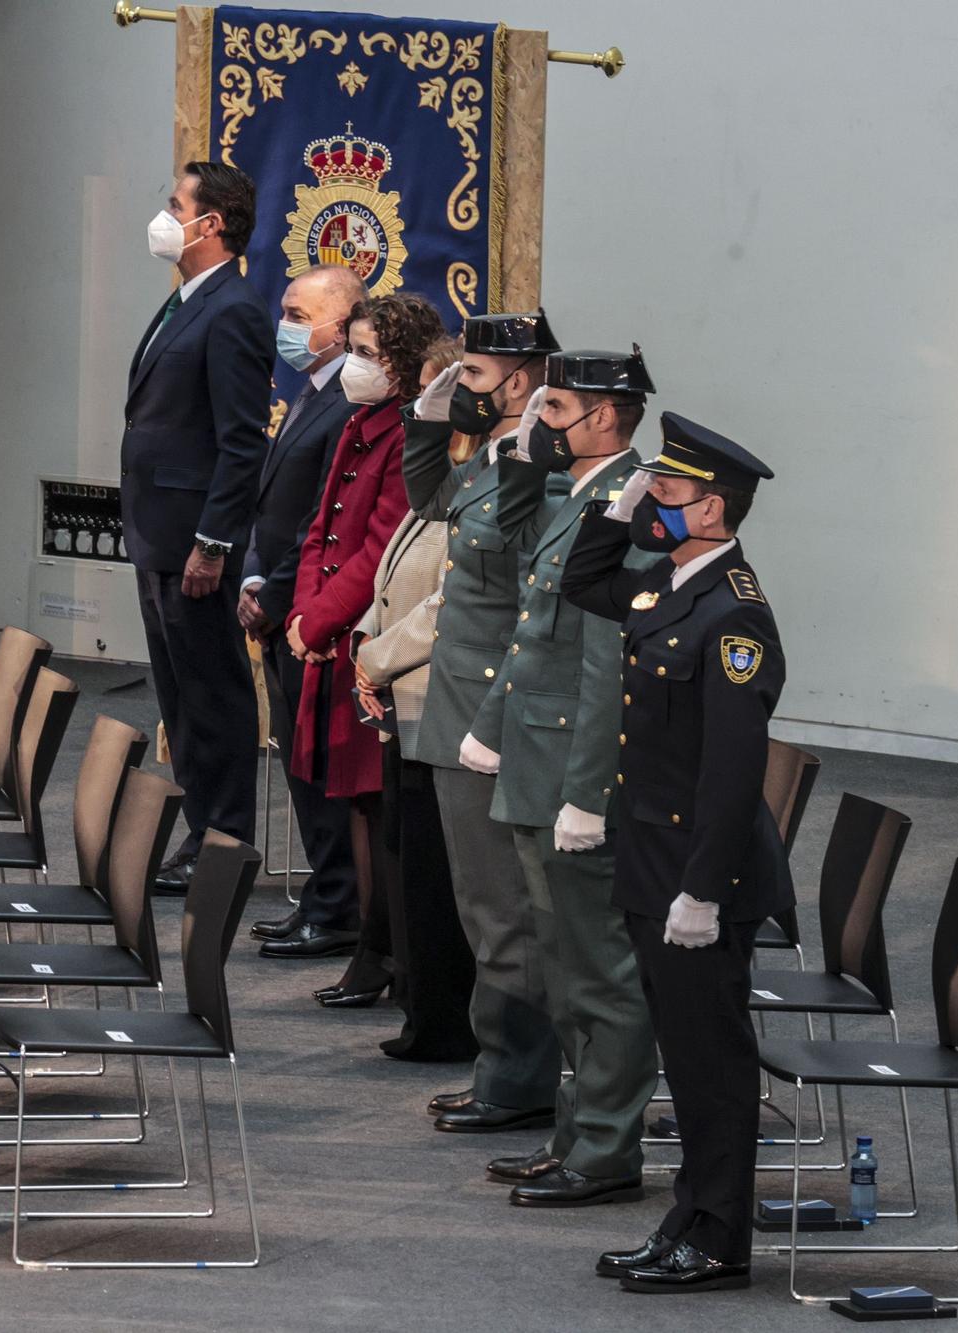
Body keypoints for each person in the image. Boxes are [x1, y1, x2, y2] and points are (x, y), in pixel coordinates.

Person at [561, 413, 787, 1293]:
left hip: (700, 878)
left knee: (712, 1062)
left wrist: (704, 891)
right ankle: (686, 1218)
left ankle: (720, 1238)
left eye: (669, 490)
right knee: (683, 1059)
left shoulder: (735, 615)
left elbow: (734, 774)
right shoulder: (669, 584)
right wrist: (615, 511)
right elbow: (586, 583)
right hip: (653, 864)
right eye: (653, 483)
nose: (654, 497)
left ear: (714, 512)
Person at [463, 347, 660, 1208]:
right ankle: (574, 1132)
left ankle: (608, 1150)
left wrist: (589, 791)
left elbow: (604, 665)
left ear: (606, 418)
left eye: (558, 409)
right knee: (563, 964)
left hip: (573, 767)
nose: (542, 420)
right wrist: (524, 455)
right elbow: (516, 554)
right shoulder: (576, 492)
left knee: (599, 973)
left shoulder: (631, 505)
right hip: (537, 758)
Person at [401, 311, 565, 1134]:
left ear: (524, 378)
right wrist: (431, 416)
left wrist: (500, 719)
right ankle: (498, 1062)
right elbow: (430, 497)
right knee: (480, 903)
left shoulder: (540, 475)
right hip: (457, 700)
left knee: (505, 910)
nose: (461, 384)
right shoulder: (495, 460)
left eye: (473, 374)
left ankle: (520, 1076)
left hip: (492, 713)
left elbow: (539, 605)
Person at [271, 292, 445, 962]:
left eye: (367, 354)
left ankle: (380, 951)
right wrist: (304, 611)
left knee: (375, 806)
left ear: (400, 366)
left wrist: (316, 618)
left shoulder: (406, 435)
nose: (354, 365)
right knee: (349, 801)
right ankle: (369, 951)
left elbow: (379, 548)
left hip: (369, 639)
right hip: (330, 632)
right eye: (353, 350)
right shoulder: (357, 423)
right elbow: (323, 527)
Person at [121, 160, 271, 892]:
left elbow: (243, 439)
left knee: (212, 694)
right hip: (158, 533)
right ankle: (199, 830)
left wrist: (214, 542)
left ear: (208, 224)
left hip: (193, 542)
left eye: (175, 203)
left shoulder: (234, 309)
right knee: (179, 696)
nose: (165, 215)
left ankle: (224, 838)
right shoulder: (186, 300)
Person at [349, 334, 479, 1055]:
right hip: (403, 693)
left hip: (437, 699)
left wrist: (376, 656)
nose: (423, 417)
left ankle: (443, 1020)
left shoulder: (478, 491)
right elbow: (394, 575)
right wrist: (371, 642)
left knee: (435, 875)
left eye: (438, 400)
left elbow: (447, 601)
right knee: (407, 861)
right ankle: (417, 1000)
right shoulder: (444, 485)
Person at [238, 264, 367, 945]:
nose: (285, 324)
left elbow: (325, 519)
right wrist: (253, 578)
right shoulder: (310, 394)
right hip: (281, 601)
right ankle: (324, 893)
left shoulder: (347, 402)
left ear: (339, 326)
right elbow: (272, 508)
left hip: (312, 613)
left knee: (320, 772)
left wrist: (274, 591)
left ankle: (336, 903)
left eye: (297, 313)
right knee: (296, 763)